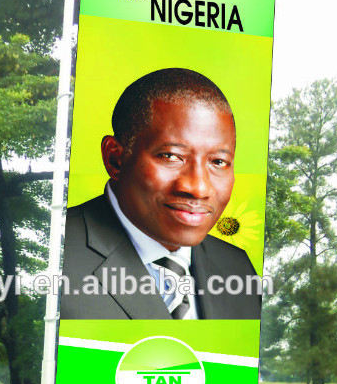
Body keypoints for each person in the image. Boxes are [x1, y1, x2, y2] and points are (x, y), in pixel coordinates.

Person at [60, 67, 261, 320]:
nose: (198, 188)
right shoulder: (57, 251)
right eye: (171, 156)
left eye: (218, 162)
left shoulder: (238, 267)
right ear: (115, 159)